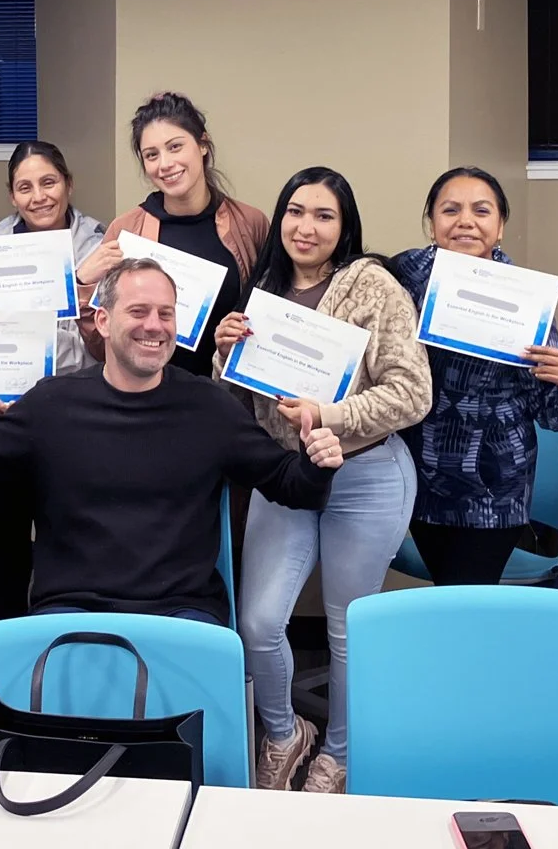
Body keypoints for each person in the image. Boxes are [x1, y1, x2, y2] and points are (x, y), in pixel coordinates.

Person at [0, 258, 345, 626]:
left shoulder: (209, 407)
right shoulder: (52, 402)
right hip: (71, 609)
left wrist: (316, 460)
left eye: (166, 313)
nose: (154, 326)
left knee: (197, 710)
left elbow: (292, 485)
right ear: (102, 321)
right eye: (138, 311)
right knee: (59, 712)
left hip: (182, 611)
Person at [211, 168, 431, 794]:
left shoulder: (373, 285)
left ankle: (338, 755)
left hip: (366, 475)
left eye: (324, 216)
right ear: (279, 220)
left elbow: (413, 393)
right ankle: (284, 734)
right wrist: (227, 356)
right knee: (256, 622)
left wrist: (328, 415)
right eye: (296, 212)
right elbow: (245, 402)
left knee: (346, 630)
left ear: (345, 226)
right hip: (286, 476)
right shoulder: (264, 292)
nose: (307, 227)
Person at [391, 167, 558, 585]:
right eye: (451, 210)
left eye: (481, 211)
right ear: (432, 223)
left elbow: (551, 413)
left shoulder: (524, 297)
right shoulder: (403, 274)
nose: (465, 220)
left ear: (500, 225)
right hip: (421, 474)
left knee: (463, 602)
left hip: (493, 485)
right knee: (446, 595)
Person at [0, 141, 106, 621]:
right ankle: (6, 684)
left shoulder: (106, 245)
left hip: (80, 429)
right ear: (11, 195)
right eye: (24, 187)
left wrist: (83, 283)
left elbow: (114, 339)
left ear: (68, 184)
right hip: (6, 425)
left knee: (72, 564)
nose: (39, 196)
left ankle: (66, 679)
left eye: (49, 182)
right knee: (6, 569)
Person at [75, 92, 268, 377]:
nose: (165, 164)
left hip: (226, 399)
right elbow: (100, 347)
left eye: (175, 147)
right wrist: (81, 284)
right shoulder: (126, 230)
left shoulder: (250, 224)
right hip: (150, 397)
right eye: (152, 155)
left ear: (202, 144)